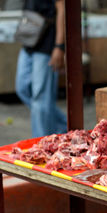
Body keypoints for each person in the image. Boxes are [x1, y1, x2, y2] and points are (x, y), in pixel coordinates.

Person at [15, 0, 67, 138]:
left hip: (47, 45)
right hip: (30, 39)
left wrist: (59, 46)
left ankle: (40, 142)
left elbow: (62, 9)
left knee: (40, 97)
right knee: (23, 89)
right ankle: (65, 126)